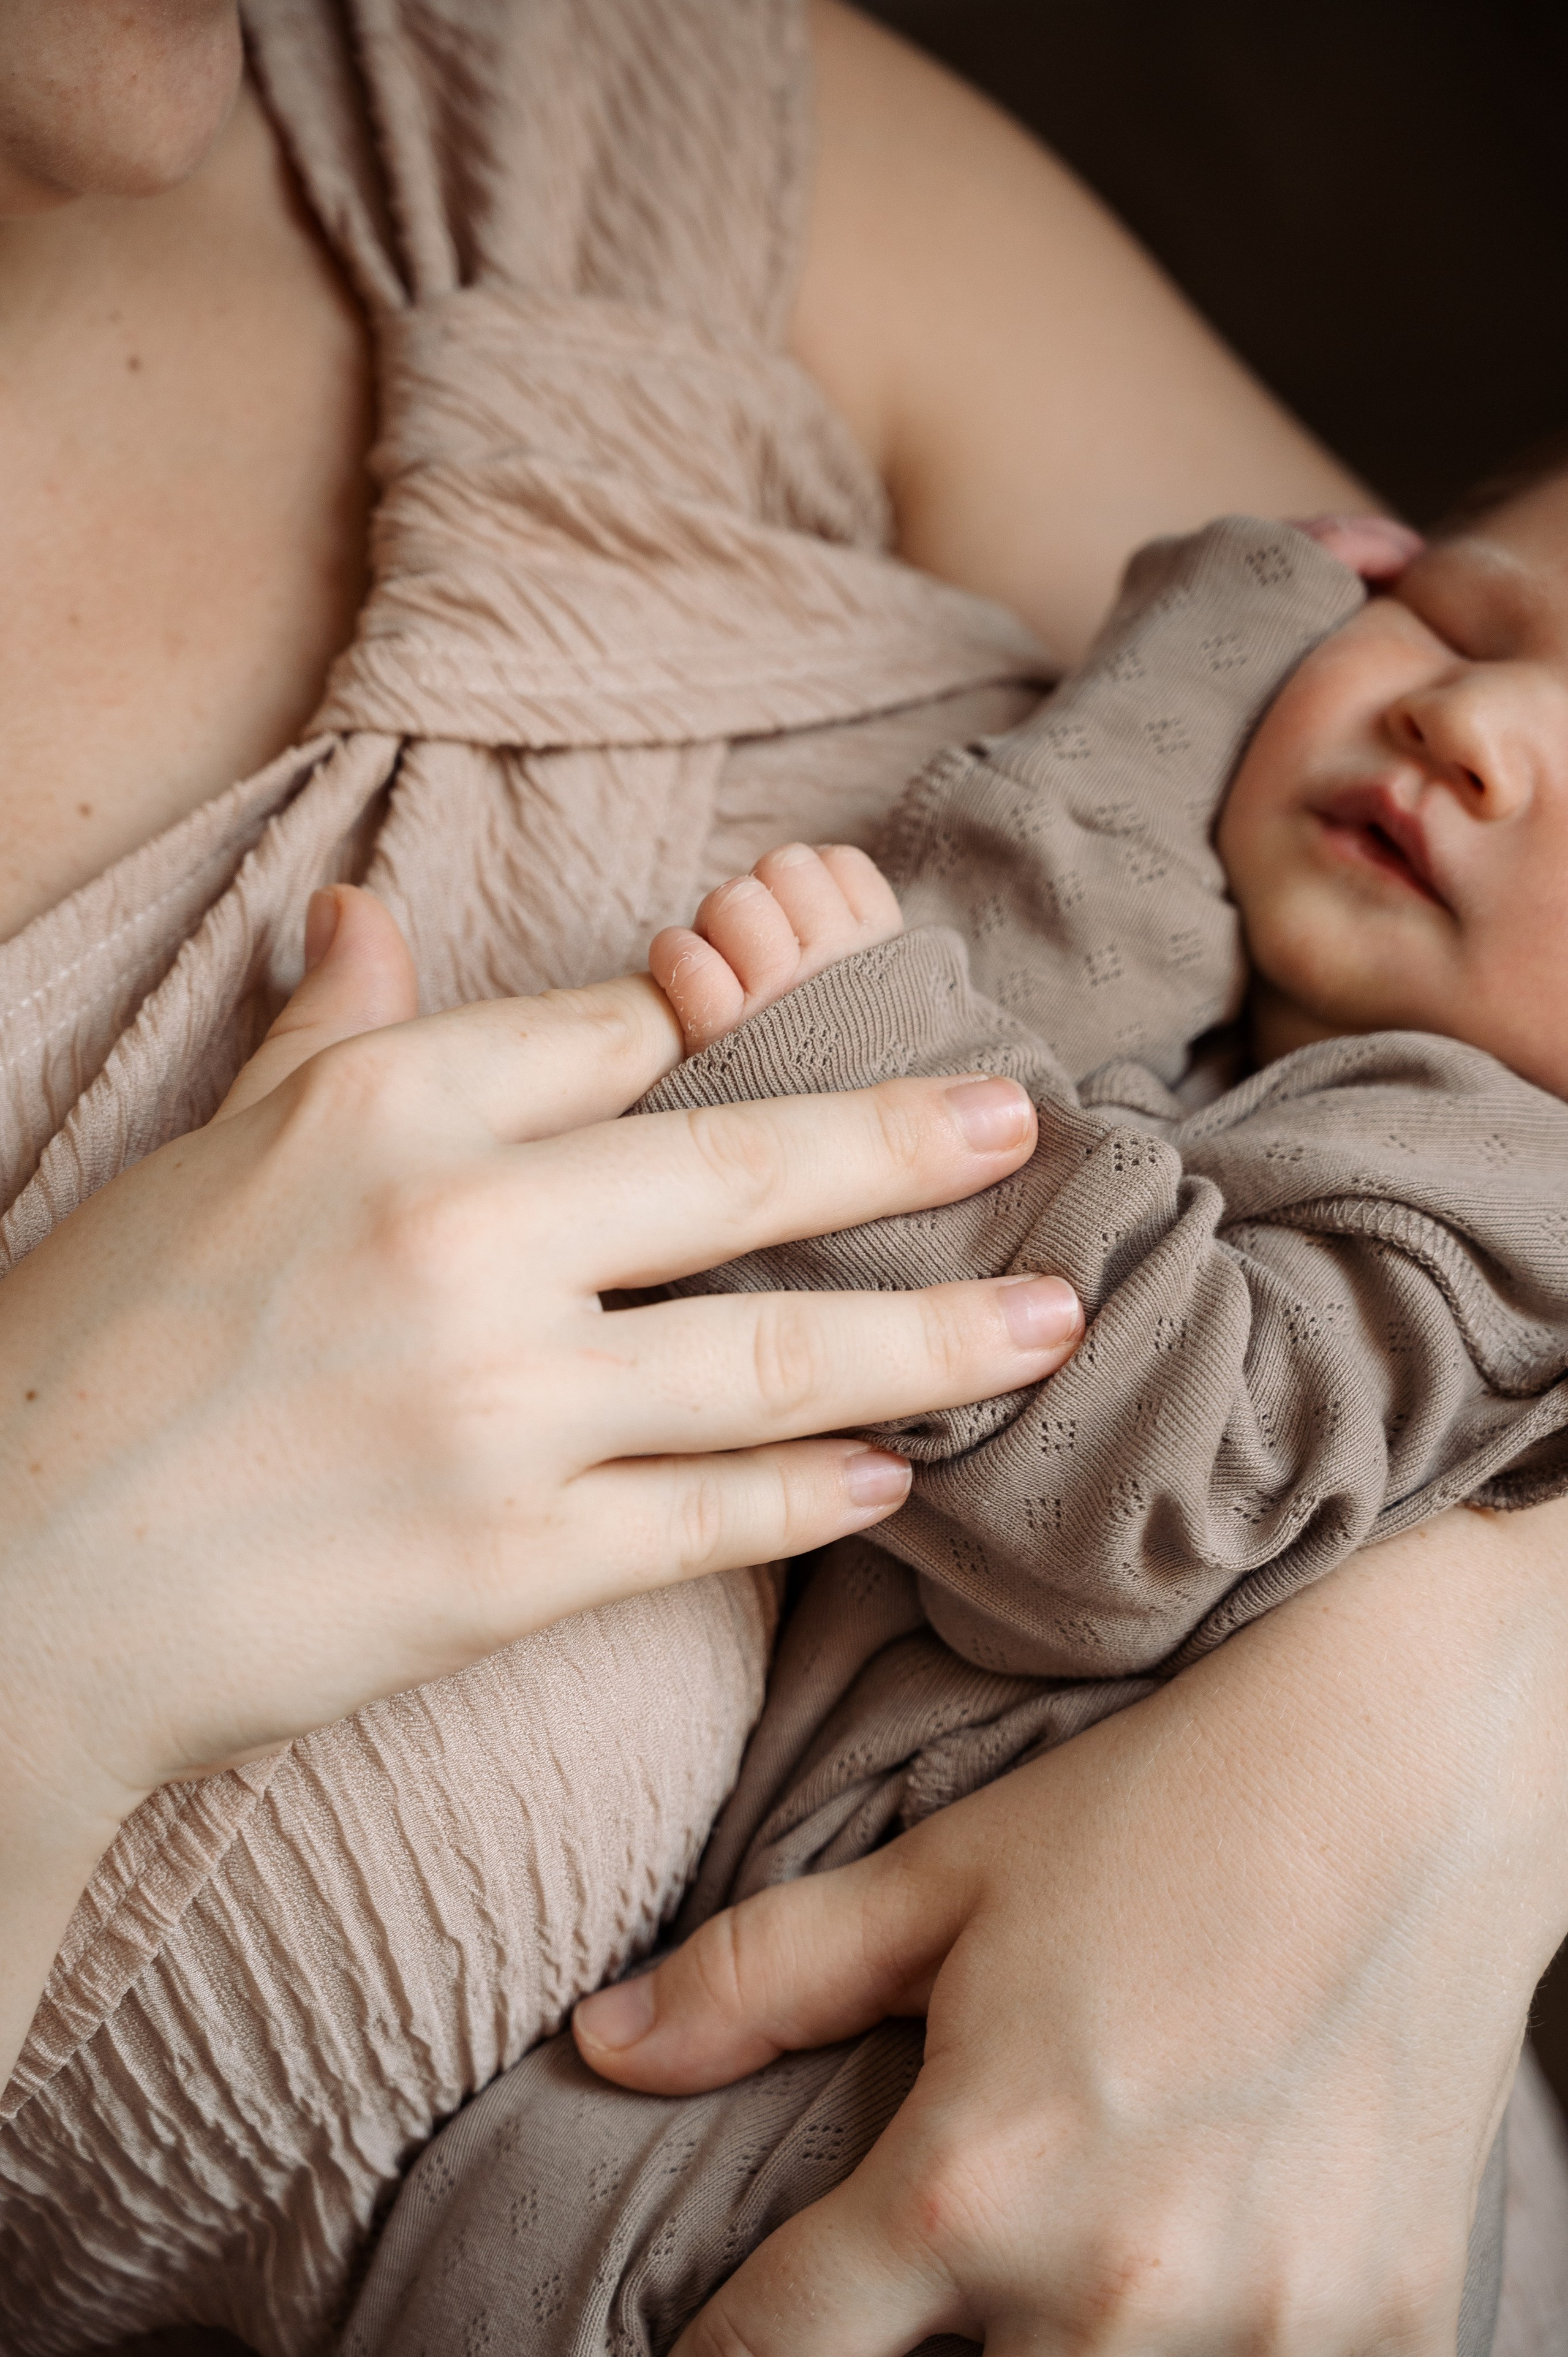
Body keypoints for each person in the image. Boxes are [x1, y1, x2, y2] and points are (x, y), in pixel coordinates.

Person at [1, 2, 1564, 2353]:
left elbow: (1175, 1459)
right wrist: (1224, 656)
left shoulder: (1501, 1198)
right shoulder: (1308, 1011)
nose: (1482, 715)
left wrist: (1468, 1720)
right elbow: (1067, 921)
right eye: (1453, 612)